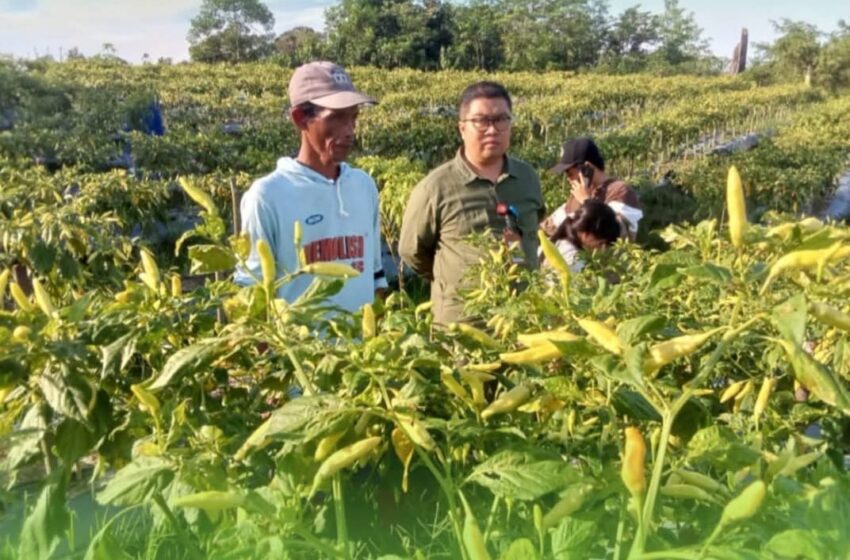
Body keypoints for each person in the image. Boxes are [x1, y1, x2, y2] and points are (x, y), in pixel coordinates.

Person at [234, 61, 387, 311]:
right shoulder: (267, 196)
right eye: (336, 118)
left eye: (354, 118)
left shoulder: (363, 186)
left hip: (360, 349)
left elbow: (375, 275)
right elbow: (252, 293)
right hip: (301, 348)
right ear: (300, 119)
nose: (350, 131)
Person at [398, 81, 546, 325]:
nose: (492, 129)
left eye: (501, 120)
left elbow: (534, 230)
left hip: (526, 319)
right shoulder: (435, 187)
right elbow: (411, 250)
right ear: (462, 128)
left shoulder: (527, 177)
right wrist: (453, 279)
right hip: (464, 326)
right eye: (481, 121)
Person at [543, 136, 642, 243]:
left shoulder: (620, 191)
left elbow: (616, 231)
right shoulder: (579, 194)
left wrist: (587, 202)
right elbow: (552, 225)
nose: (568, 179)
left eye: (569, 173)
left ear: (586, 168)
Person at [544, 199, 622, 273]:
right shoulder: (573, 259)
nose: (602, 249)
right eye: (600, 243)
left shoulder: (561, 240)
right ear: (586, 234)